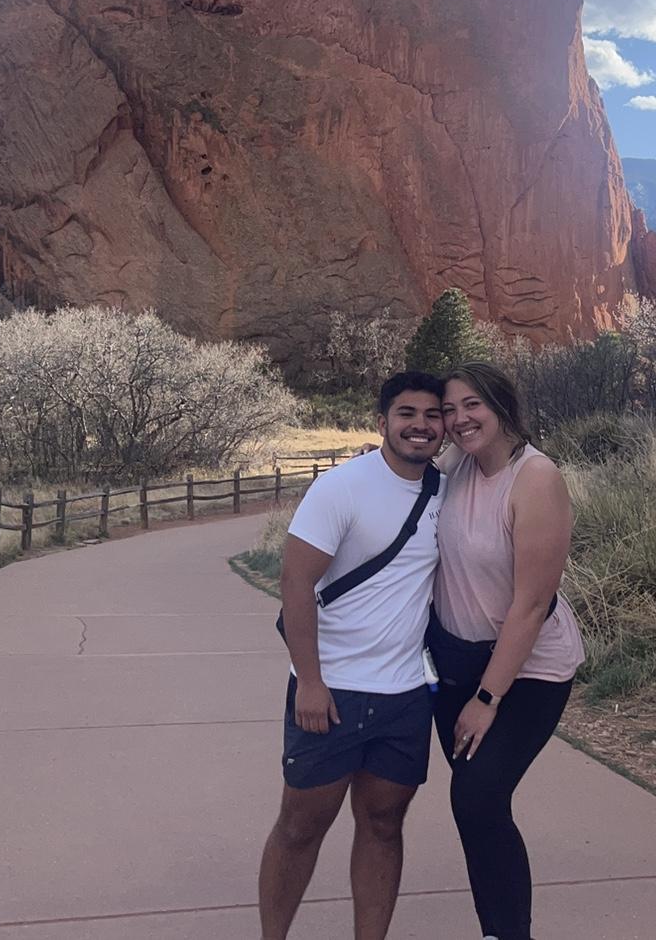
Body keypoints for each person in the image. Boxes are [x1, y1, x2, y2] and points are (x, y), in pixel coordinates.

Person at [258, 371, 446, 940]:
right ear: (382, 421)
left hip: (404, 694)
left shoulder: (448, 486)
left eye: (432, 415)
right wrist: (310, 682)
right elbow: (295, 583)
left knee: (384, 824)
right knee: (301, 825)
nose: (420, 425)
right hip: (331, 691)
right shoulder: (342, 487)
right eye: (406, 414)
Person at [428, 360, 585, 940]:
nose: (460, 418)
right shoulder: (455, 466)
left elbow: (532, 604)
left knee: (476, 796)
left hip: (527, 672)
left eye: (472, 405)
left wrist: (489, 697)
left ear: (500, 405)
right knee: (480, 810)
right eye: (450, 409)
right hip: (458, 665)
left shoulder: (536, 478)